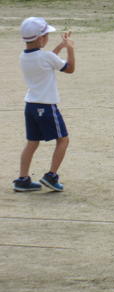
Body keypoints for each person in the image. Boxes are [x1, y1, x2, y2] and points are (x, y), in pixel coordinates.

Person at [14, 18, 75, 193]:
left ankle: (22, 179)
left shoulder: (24, 56)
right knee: (63, 140)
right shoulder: (46, 56)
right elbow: (69, 68)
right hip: (46, 106)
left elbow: (48, 61)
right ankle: (51, 175)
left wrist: (60, 47)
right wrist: (70, 49)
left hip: (31, 105)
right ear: (41, 38)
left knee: (32, 142)